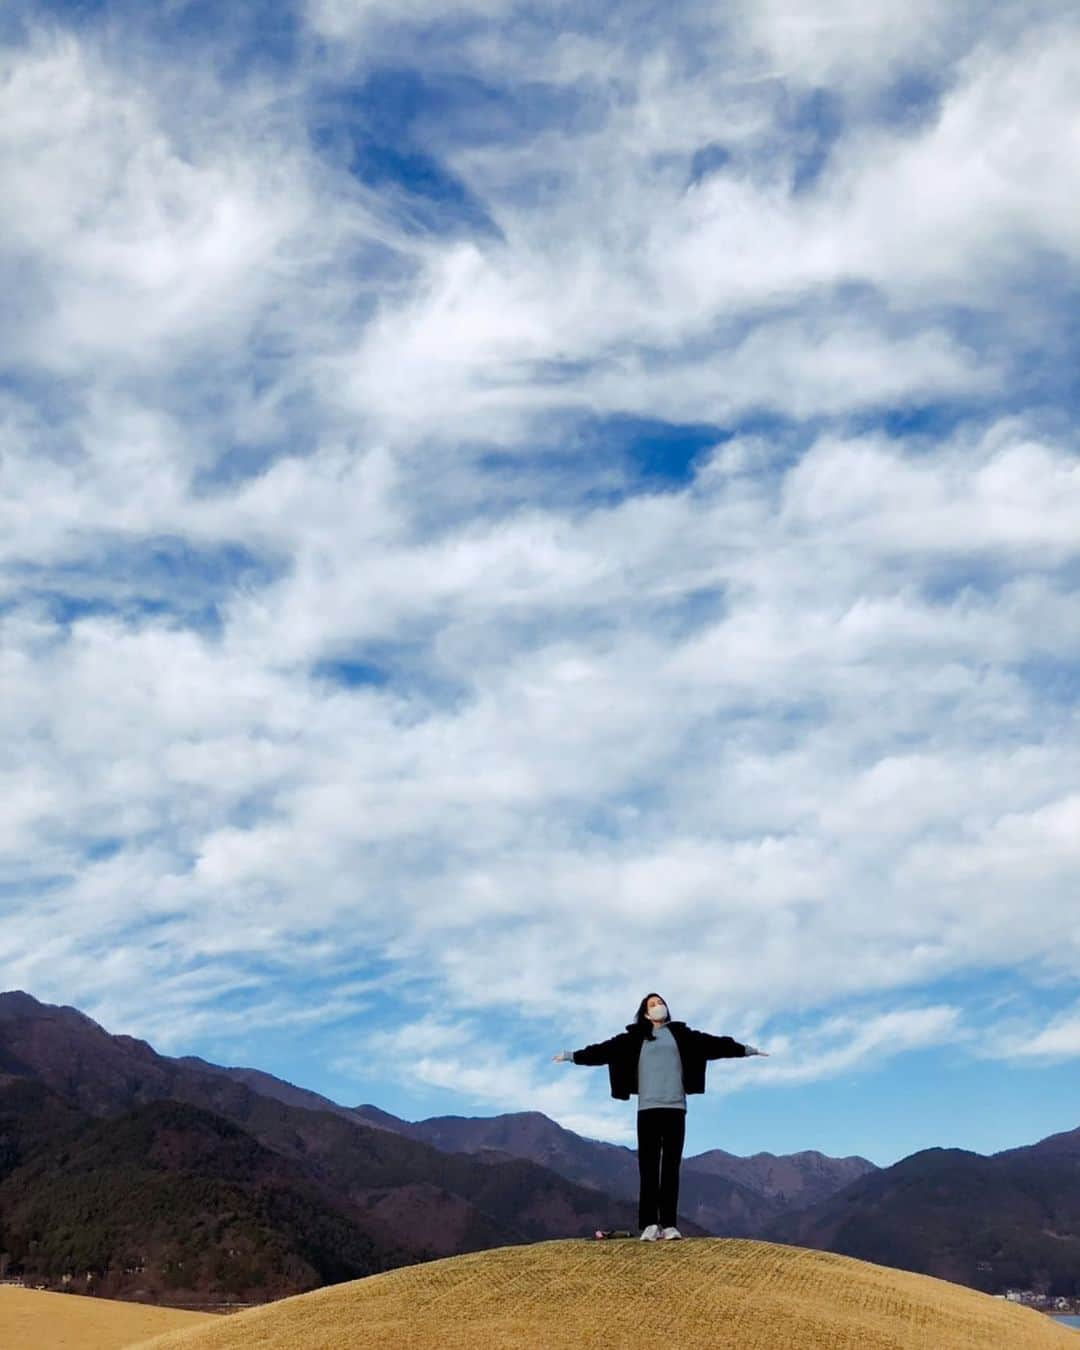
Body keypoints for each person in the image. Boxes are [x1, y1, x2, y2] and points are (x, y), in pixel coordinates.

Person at [552, 992, 768, 1241]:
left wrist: (747, 1050)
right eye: (652, 1004)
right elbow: (603, 1051)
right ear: (645, 1013)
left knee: (671, 1168)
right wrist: (571, 1056)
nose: (658, 1007)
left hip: (676, 1108)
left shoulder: (682, 1035)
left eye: (660, 1003)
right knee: (649, 1167)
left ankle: (669, 1224)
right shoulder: (634, 1039)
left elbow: (715, 1044)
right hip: (648, 1110)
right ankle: (649, 1225)